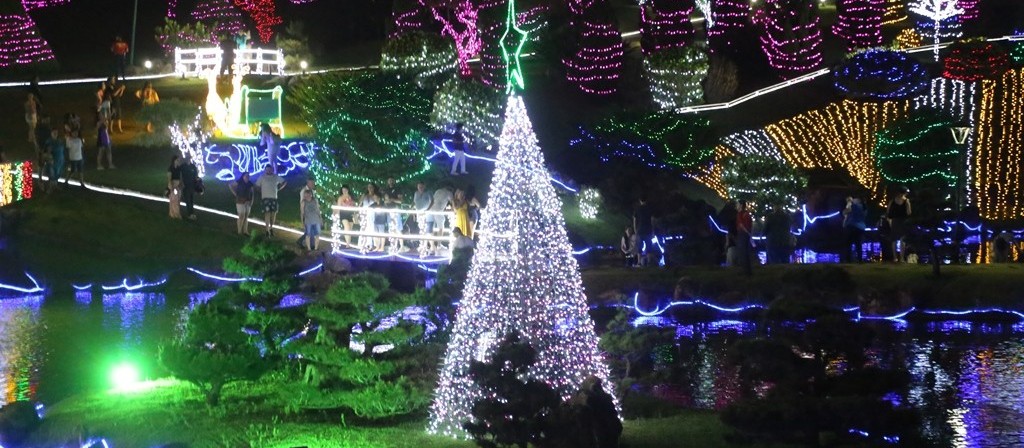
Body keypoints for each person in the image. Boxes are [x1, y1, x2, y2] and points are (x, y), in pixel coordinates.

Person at [255, 165, 286, 235]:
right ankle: (267, 230)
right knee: (267, 214)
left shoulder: (275, 177)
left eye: (270, 169)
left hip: (274, 198)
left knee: (273, 214)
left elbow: (284, 182)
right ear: (265, 170)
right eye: (267, 169)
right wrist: (261, 191)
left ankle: (271, 227)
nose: (268, 171)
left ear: (272, 170)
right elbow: (256, 185)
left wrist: (279, 188)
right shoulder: (262, 177)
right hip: (265, 198)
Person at [886, 188, 912, 263]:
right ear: (904, 193)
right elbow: (909, 212)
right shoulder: (906, 201)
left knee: (894, 239)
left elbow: (888, 211)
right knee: (902, 240)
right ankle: (902, 258)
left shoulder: (892, 201)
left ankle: (895, 257)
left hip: (894, 221)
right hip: (903, 221)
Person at [426, 184, 453, 253]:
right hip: (438, 211)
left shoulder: (438, 191)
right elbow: (452, 202)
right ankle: (438, 245)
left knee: (430, 229)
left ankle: (432, 247)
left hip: (430, 210)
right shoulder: (449, 193)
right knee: (441, 228)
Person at [843, 196, 867, 263]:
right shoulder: (864, 207)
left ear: (858, 200)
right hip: (861, 227)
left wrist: (849, 203)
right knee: (858, 244)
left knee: (848, 243)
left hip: (852, 226)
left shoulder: (853, 205)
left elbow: (845, 212)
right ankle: (860, 259)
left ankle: (848, 259)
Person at [735, 200, 754, 275]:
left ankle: (745, 271)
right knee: (745, 252)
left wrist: (747, 232)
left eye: (737, 204)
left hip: (743, 234)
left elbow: (742, 225)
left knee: (743, 252)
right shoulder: (746, 214)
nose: (736, 206)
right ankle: (747, 271)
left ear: (741, 205)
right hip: (745, 234)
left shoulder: (741, 214)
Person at [296, 178, 316, 247]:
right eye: (311, 183)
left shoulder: (312, 191)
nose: (313, 185)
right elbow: (302, 202)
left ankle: (308, 243)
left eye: (313, 183)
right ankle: (304, 242)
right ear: (308, 183)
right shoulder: (304, 191)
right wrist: (303, 214)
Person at [634, 197, 653, 266]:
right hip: (648, 229)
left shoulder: (637, 209)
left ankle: (639, 262)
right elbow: (652, 220)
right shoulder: (649, 209)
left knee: (639, 246)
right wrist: (652, 230)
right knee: (649, 246)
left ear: (640, 200)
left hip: (640, 229)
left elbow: (635, 219)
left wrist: (635, 229)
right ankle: (649, 261)